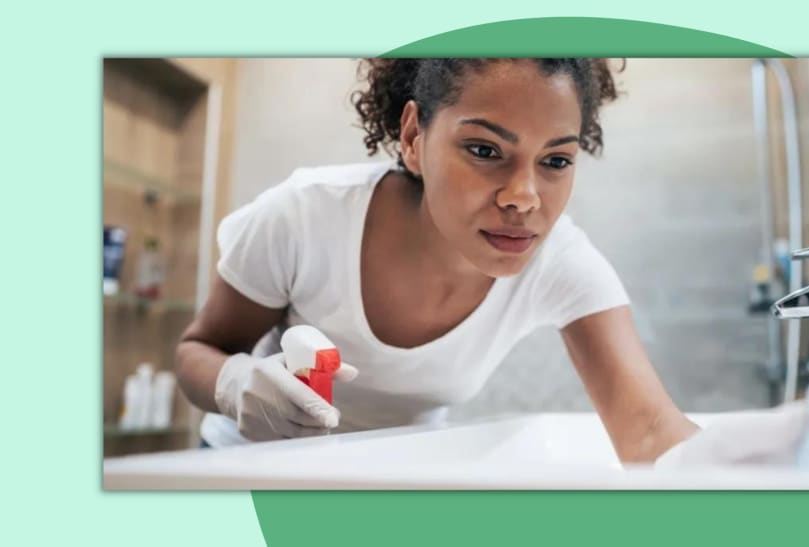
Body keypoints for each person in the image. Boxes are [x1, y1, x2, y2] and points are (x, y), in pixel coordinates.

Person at [175, 58, 699, 461]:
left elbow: (648, 428)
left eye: (556, 160)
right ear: (413, 137)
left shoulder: (561, 261)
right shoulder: (305, 216)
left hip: (400, 481)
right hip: (247, 472)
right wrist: (234, 384)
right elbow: (198, 350)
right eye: (485, 150)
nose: (524, 196)